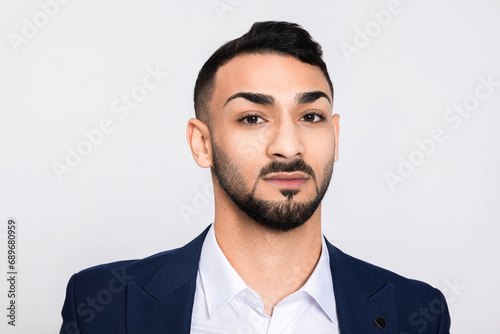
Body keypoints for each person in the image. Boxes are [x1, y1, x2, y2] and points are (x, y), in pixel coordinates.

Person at [60, 21, 451, 333]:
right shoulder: (101, 306)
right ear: (202, 143)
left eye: (310, 117)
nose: (288, 146)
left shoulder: (414, 314)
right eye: (252, 118)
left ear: (335, 135)